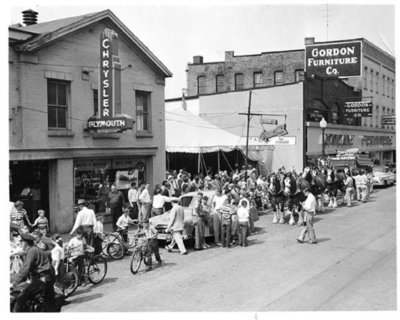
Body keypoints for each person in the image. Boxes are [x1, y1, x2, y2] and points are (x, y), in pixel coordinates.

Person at [10, 233, 55, 312]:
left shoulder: (32, 251)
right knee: (49, 303)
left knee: (20, 299)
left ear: (25, 243)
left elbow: (25, 270)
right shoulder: (34, 249)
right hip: (47, 277)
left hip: (42, 279)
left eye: (21, 242)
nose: (20, 244)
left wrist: (14, 283)